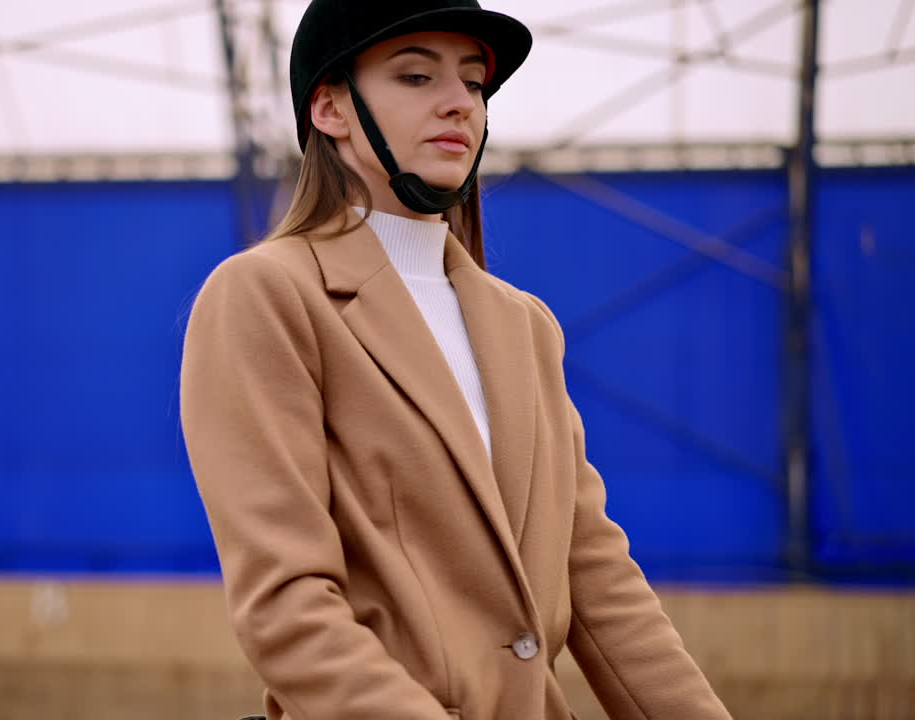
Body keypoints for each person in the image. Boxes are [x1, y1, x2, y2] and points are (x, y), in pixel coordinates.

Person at [180, 2, 733, 719]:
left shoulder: (526, 327)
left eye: (474, 84)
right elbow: (286, 607)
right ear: (329, 108)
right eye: (415, 76)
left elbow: (600, 581)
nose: (458, 104)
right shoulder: (266, 297)